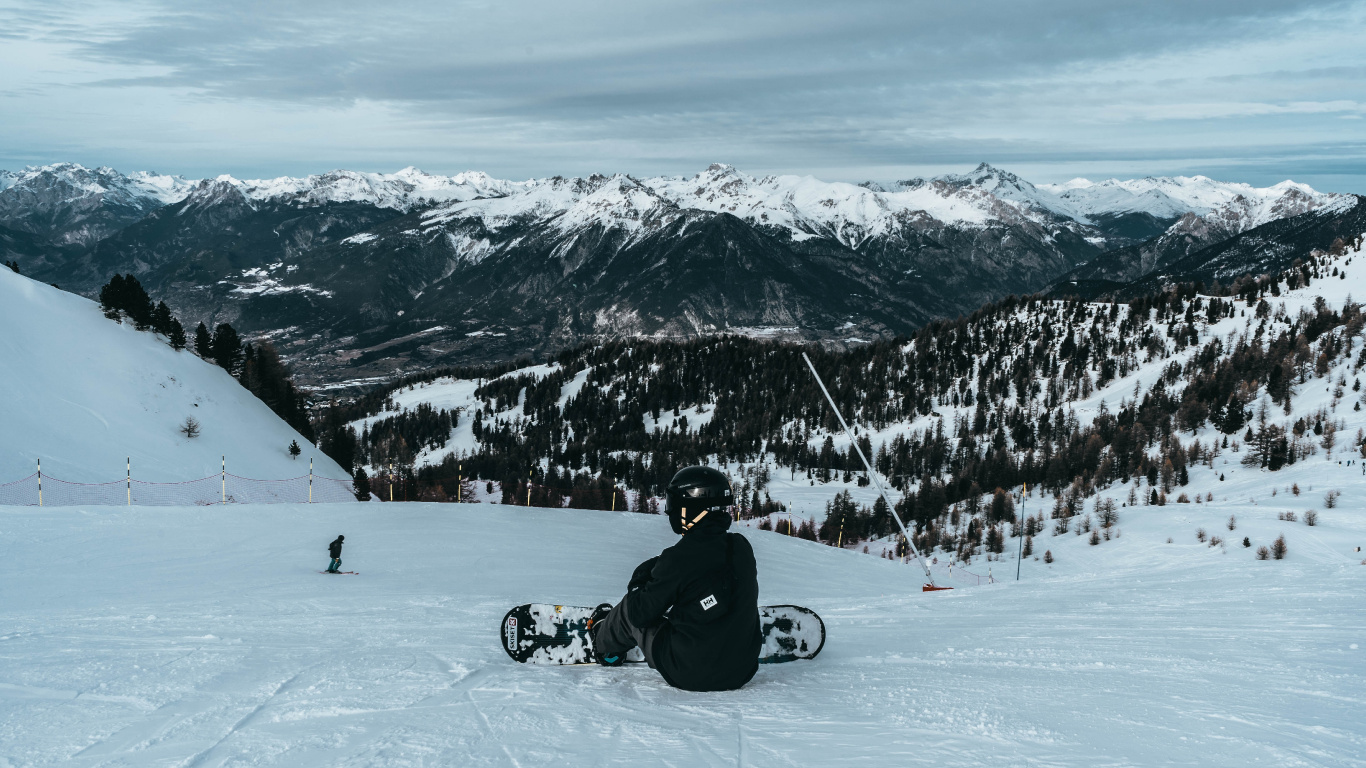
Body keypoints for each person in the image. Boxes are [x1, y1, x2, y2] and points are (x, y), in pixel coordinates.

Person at [587, 466, 762, 692]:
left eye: (673, 504)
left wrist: (639, 581)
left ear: (689, 507)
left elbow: (639, 614)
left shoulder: (679, 558)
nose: (670, 511)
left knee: (629, 610)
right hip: (741, 672)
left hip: (688, 672)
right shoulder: (741, 547)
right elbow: (703, 570)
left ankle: (605, 646)